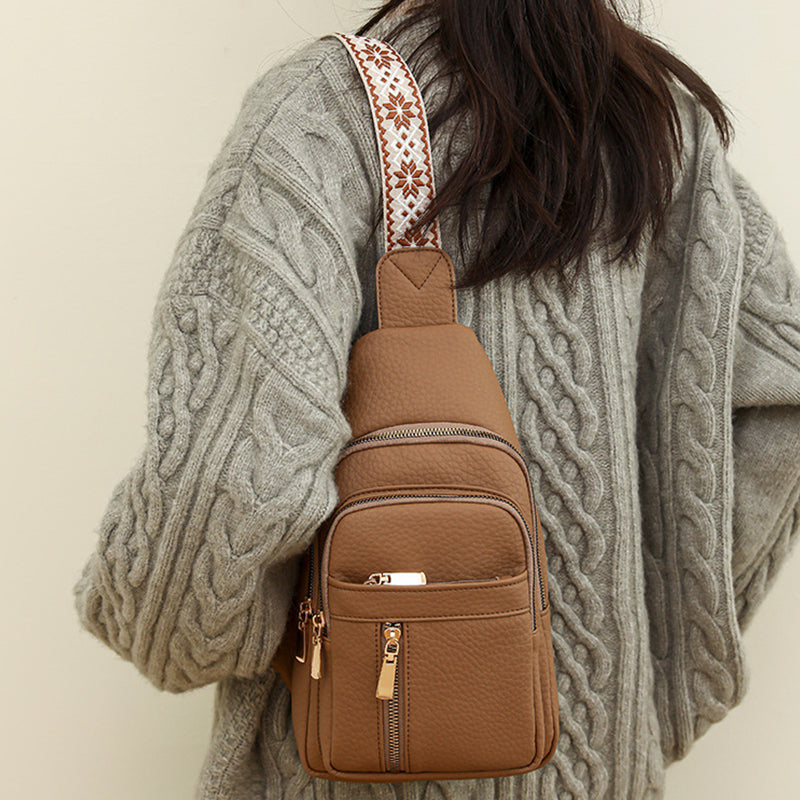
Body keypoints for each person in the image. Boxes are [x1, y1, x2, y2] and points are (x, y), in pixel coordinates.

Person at [71, 1, 800, 798]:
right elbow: (777, 398)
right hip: (602, 770)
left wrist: (164, 627)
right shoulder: (660, 123)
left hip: (354, 764)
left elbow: (226, 492)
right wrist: (647, 660)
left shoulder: (326, 115)